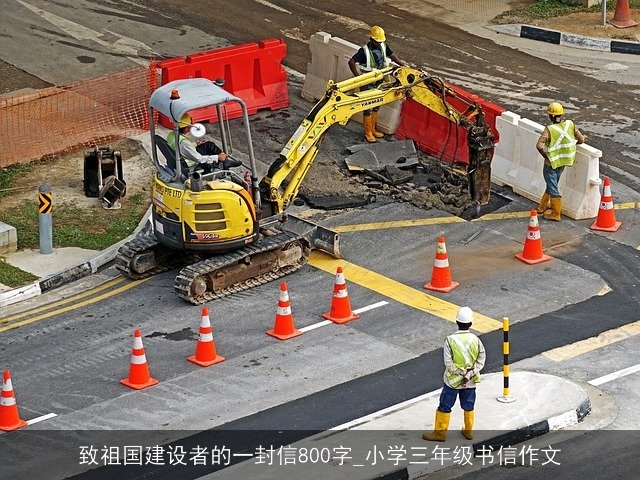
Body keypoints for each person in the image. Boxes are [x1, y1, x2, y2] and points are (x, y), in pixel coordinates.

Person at [423, 306, 486, 442]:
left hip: (452, 381)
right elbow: (481, 360)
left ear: (457, 322)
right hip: (470, 381)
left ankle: (440, 434)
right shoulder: (476, 340)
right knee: (469, 405)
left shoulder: (450, 340)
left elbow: (448, 363)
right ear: (471, 323)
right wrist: (469, 374)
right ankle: (468, 431)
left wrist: (460, 373)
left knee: (445, 405)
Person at [348, 25, 405, 143]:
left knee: (376, 105)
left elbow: (392, 55)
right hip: (367, 83)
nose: (379, 44)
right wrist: (358, 77)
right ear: (371, 40)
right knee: (368, 107)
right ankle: (368, 132)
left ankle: (373, 129)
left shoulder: (383, 46)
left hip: (380, 81)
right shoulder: (364, 51)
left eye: (381, 41)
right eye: (377, 42)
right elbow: (351, 62)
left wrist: (402, 65)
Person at [535, 102, 585, 221]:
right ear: (561, 115)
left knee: (553, 187)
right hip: (564, 161)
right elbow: (581, 140)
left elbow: (539, 145)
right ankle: (542, 206)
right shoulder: (570, 125)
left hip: (551, 163)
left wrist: (546, 157)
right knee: (552, 183)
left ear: (550, 116)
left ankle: (556, 213)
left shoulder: (549, 130)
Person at [166, 113, 241, 174]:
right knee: (211, 156)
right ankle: (223, 161)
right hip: (190, 163)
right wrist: (217, 157)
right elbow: (199, 159)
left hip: (182, 157)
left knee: (209, 145)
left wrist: (195, 144)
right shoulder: (183, 142)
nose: (190, 128)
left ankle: (225, 161)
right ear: (185, 128)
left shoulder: (171, 135)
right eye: (189, 126)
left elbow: (182, 149)